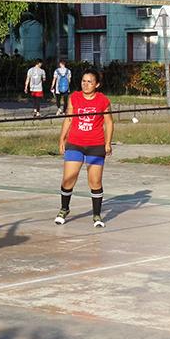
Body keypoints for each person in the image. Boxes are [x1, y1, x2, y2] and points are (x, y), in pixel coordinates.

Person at [55, 69, 113, 228]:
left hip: (95, 145)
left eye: (90, 82)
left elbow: (108, 123)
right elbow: (68, 119)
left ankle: (96, 214)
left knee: (95, 181)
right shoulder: (75, 97)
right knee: (68, 179)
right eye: (83, 81)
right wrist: (62, 139)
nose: (86, 84)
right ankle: (64, 209)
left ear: (97, 84)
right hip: (75, 143)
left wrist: (108, 143)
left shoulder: (102, 100)